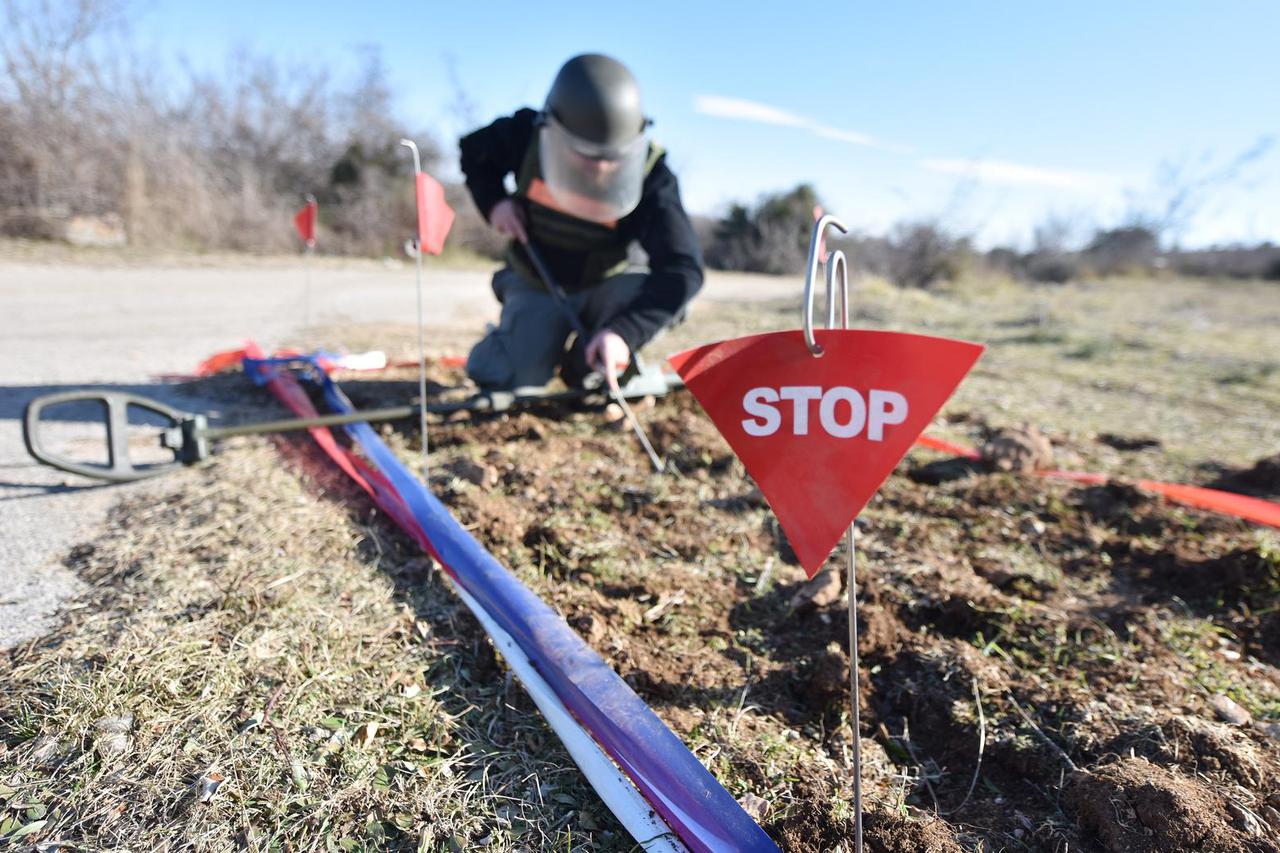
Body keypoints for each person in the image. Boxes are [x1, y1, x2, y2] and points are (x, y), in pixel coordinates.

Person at [459, 53, 703, 391]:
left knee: (602, 373)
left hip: (608, 288)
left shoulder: (653, 176)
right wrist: (495, 203)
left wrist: (624, 332)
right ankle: (518, 341)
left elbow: (683, 269)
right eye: (586, 154)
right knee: (513, 382)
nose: (600, 168)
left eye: (612, 159)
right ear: (552, 130)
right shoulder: (524, 134)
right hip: (537, 280)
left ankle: (589, 364)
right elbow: (473, 153)